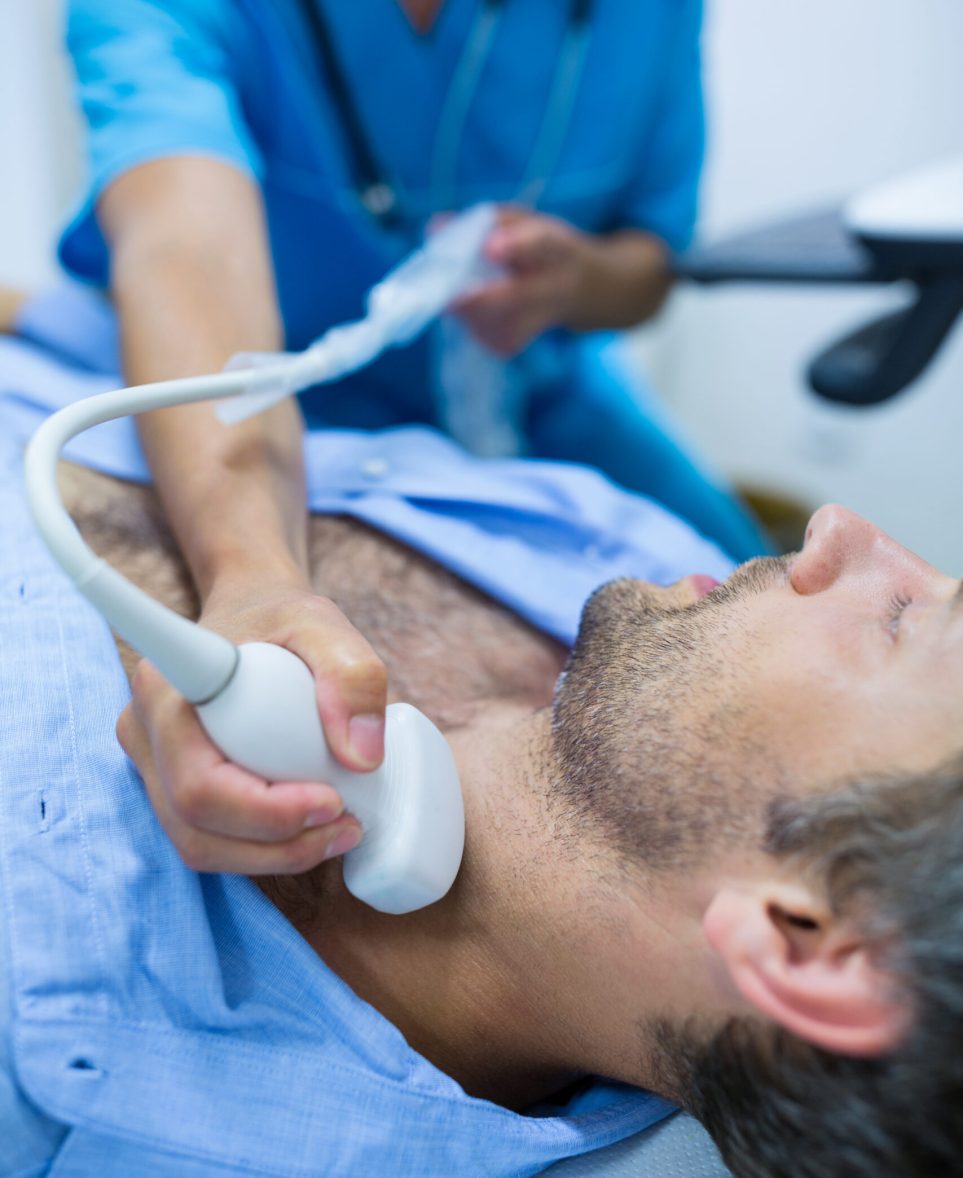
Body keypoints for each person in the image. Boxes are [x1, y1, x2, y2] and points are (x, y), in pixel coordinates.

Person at [2, 312, 962, 1172]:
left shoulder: (62, 1072)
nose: (839, 530)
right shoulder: (631, 568)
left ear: (805, 946)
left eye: (904, 621)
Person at [55, 0, 773, 884]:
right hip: (267, 396)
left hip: (533, 390)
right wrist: (253, 579)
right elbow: (182, 247)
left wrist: (577, 281)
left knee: (748, 573)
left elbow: (648, 265)